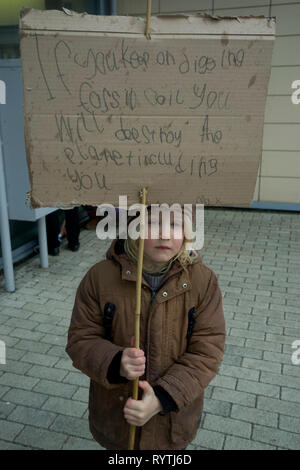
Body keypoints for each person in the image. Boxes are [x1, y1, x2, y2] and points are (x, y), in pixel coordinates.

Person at [65, 205, 226, 450]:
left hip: (172, 423)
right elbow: (81, 339)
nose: (164, 234)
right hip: (117, 420)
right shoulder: (99, 278)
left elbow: (207, 351)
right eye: (153, 223)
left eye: (174, 224)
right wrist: (115, 361)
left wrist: (162, 399)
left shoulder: (203, 282)